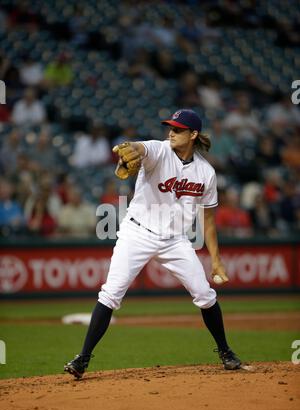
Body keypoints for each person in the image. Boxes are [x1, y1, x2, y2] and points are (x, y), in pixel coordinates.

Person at [64, 109, 242, 379]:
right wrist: (131, 147)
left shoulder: (206, 172)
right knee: (110, 294)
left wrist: (216, 260)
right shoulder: (159, 150)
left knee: (205, 296)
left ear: (193, 134)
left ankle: (226, 352)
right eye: (170, 127)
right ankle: (82, 359)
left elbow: (208, 219)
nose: (171, 132)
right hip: (137, 233)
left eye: (179, 129)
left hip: (176, 241)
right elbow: (139, 148)